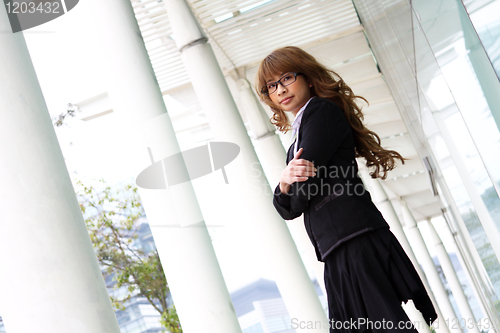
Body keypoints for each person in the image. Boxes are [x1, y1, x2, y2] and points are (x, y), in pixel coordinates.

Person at [256, 46, 438, 332]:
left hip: (353, 239)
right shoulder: (296, 141)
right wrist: (284, 182)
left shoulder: (321, 111)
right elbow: (286, 209)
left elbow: (302, 193)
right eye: (271, 86)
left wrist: (291, 185)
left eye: (287, 77)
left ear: (309, 77)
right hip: (338, 245)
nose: (280, 89)